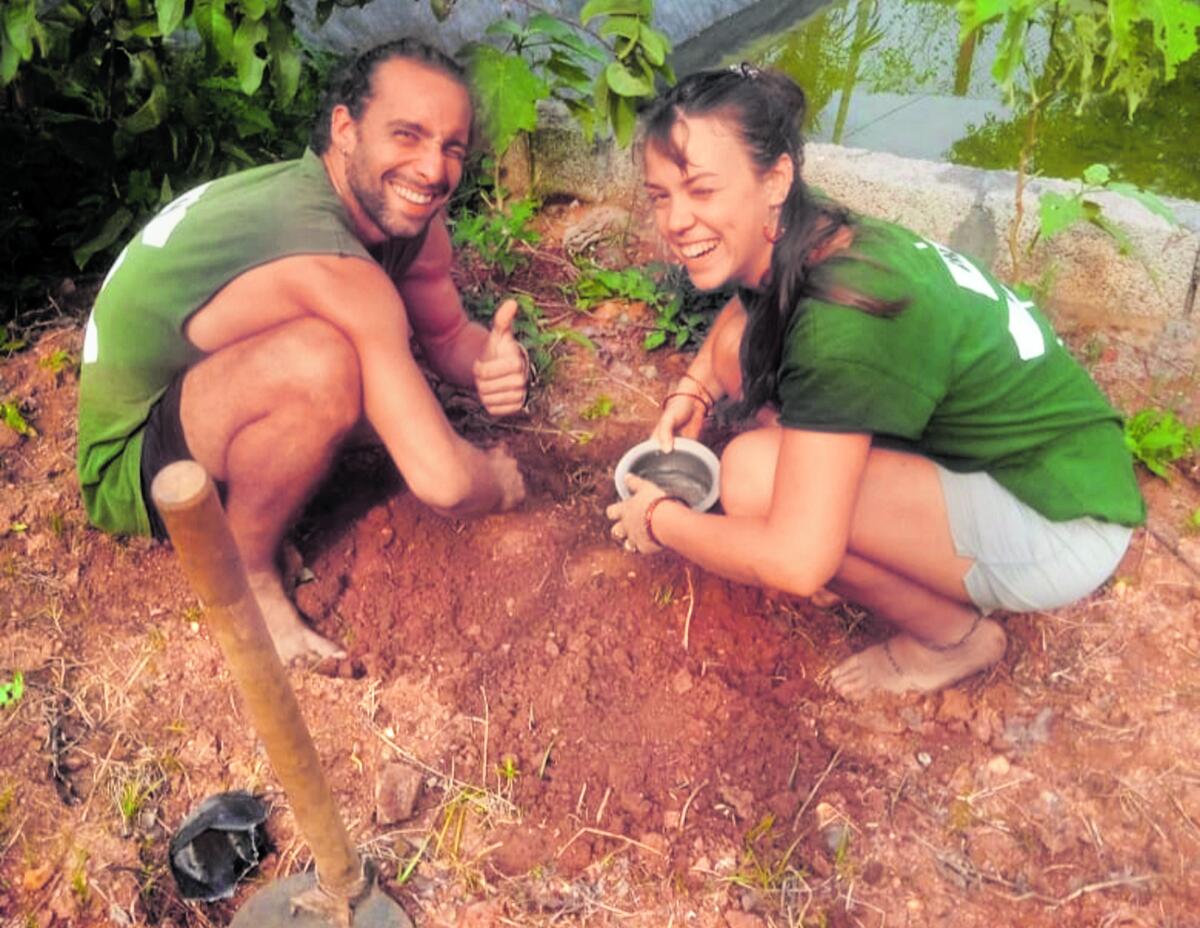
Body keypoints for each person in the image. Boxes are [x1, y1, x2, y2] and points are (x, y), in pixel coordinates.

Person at [606, 65, 1145, 699]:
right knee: (734, 351)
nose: (675, 220)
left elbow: (795, 563)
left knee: (755, 479)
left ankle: (953, 638)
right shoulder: (822, 234)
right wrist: (692, 389)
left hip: (1058, 522)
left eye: (700, 190)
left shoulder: (840, 325)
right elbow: (743, 313)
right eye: (661, 196)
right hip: (1060, 459)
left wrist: (660, 519)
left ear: (774, 179)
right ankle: (874, 540)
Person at [78, 39, 529, 663]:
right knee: (325, 364)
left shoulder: (405, 220)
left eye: (451, 146)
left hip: (204, 387)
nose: (432, 170)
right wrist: (499, 485)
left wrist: (496, 365)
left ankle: (293, 443)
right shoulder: (326, 256)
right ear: (345, 129)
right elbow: (447, 484)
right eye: (407, 135)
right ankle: (248, 575)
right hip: (137, 464)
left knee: (356, 357)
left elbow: (450, 337)